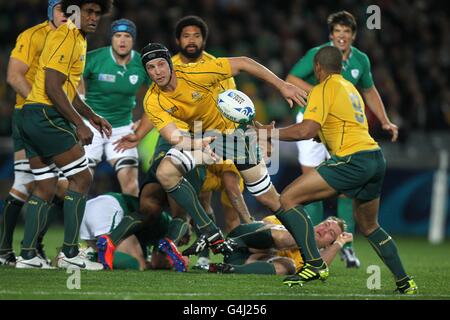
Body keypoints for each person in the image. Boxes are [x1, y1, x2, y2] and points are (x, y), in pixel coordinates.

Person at [256, 46, 417, 294]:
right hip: (375, 158)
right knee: (370, 226)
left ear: (317, 68)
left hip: (351, 159)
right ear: (340, 67)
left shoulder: (323, 88)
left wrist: (268, 132)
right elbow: (329, 131)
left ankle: (313, 264)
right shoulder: (350, 89)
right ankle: (405, 282)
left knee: (287, 198)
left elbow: (305, 131)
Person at [138, 43, 306, 259]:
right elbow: (172, 136)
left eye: (161, 64)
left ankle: (310, 248)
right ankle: (209, 230)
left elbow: (244, 63)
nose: (157, 71)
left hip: (234, 136)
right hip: (204, 140)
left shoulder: (198, 71)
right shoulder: (152, 99)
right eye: (151, 67)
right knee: (166, 173)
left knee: (269, 199)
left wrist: (282, 85)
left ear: (170, 63)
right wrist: (198, 143)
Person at [286, 11, 399, 268]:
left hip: (343, 129)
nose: (342, 36)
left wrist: (384, 121)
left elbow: (369, 90)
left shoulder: (361, 59)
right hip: (314, 120)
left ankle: (346, 247)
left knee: (347, 192)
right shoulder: (320, 55)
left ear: (353, 35)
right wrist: (323, 93)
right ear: (331, 35)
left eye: (346, 32)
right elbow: (291, 78)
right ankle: (313, 245)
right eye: (337, 32)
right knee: (310, 187)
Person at [15, 0, 113, 270]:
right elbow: (53, 87)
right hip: (45, 114)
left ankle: (28, 256)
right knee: (81, 178)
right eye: (88, 11)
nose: (94, 17)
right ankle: (70, 253)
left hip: (31, 115)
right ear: (74, 11)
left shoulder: (77, 38)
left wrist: (91, 116)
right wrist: (79, 125)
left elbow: (67, 89)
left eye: (97, 12)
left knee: (46, 186)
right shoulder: (67, 35)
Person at [0, 0, 68, 267]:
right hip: (29, 116)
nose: (68, 14)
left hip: (58, 120)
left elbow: (76, 80)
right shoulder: (31, 36)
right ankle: (18, 249)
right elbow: (14, 76)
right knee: (52, 183)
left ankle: (29, 248)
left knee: (42, 183)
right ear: (51, 10)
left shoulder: (74, 39)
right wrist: (41, 106)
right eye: (63, 8)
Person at [79, 18, 149, 197]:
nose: (122, 40)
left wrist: (144, 119)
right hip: (91, 125)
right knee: (80, 183)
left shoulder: (142, 64)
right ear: (112, 38)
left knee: (131, 185)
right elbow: (73, 77)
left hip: (122, 128)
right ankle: (79, 224)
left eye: (127, 36)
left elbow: (158, 94)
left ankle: (129, 225)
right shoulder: (95, 58)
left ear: (133, 40)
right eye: (118, 35)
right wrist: (79, 108)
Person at [80, 192, 190, 271]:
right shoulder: (167, 226)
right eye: (182, 242)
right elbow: (158, 261)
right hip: (108, 208)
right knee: (137, 264)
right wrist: (177, 259)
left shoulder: (162, 222)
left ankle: (86, 254)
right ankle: (86, 256)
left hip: (92, 207)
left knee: (109, 256)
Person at [208, 215, 352, 275]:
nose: (325, 229)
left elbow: (318, 269)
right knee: (288, 237)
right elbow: (266, 228)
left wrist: (339, 243)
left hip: (244, 260)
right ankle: (226, 243)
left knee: (289, 265)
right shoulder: (298, 222)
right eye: (325, 224)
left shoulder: (307, 257)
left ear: (328, 245)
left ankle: (229, 269)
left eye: (331, 233)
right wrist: (297, 240)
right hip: (243, 239)